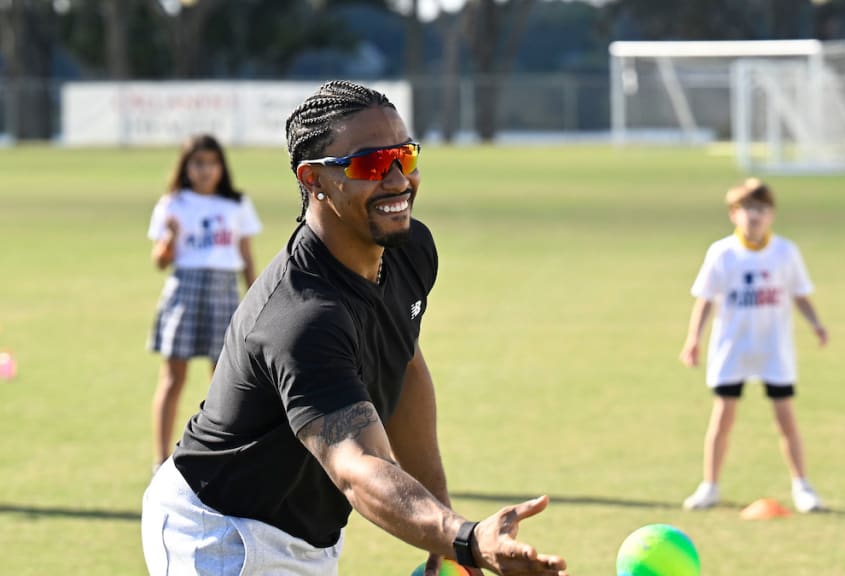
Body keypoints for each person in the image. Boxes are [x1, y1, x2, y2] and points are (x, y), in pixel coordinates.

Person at [141, 81, 569, 576]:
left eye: (404, 158)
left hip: (309, 537)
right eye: (370, 165)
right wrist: (467, 539)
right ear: (314, 179)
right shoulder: (301, 317)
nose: (397, 181)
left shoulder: (408, 250)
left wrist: (445, 528)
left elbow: (404, 365)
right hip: (221, 532)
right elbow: (357, 467)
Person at [679, 178, 828, 513]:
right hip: (732, 348)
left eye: (760, 209)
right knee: (723, 416)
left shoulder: (785, 252)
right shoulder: (722, 253)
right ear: (734, 214)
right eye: (746, 209)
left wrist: (816, 324)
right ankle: (710, 486)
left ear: (771, 214)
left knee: (785, 417)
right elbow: (704, 300)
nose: (754, 216)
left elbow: (800, 294)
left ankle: (802, 486)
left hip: (774, 350)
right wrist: (693, 340)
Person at [147, 134, 261, 468]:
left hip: (224, 292)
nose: (205, 170)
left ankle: (218, 454)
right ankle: (160, 458)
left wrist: (255, 300)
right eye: (198, 163)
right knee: (172, 377)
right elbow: (160, 261)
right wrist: (168, 237)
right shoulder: (173, 204)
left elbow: (246, 257)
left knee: (224, 380)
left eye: (212, 163)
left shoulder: (236, 204)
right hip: (185, 289)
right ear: (186, 167)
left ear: (221, 167)